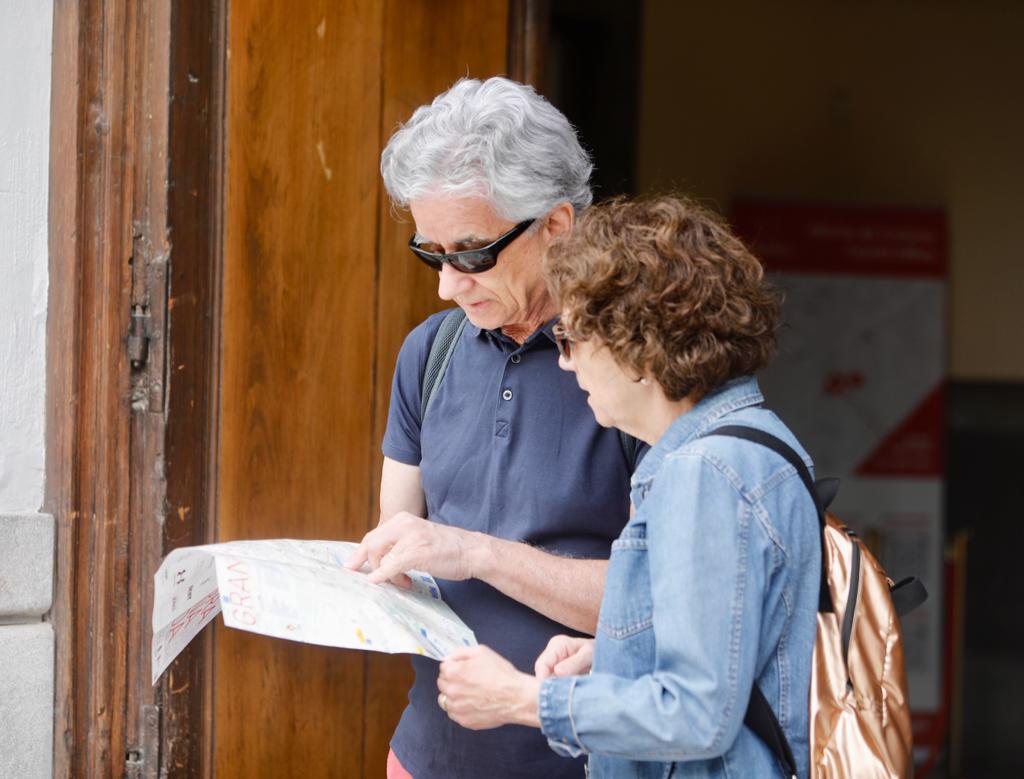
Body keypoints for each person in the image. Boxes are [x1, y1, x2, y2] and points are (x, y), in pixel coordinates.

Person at [435, 195, 822, 778]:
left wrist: (521, 699)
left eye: (572, 338)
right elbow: (740, 652)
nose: (565, 363)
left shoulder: (704, 473)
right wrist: (617, 655)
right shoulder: (756, 443)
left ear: (638, 346)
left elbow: (696, 714)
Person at [343, 78, 644, 779]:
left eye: (473, 252)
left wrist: (476, 552)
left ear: (556, 225)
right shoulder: (430, 350)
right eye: (432, 252)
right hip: (424, 757)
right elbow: (401, 547)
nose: (448, 284)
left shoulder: (633, 368)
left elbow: (665, 606)